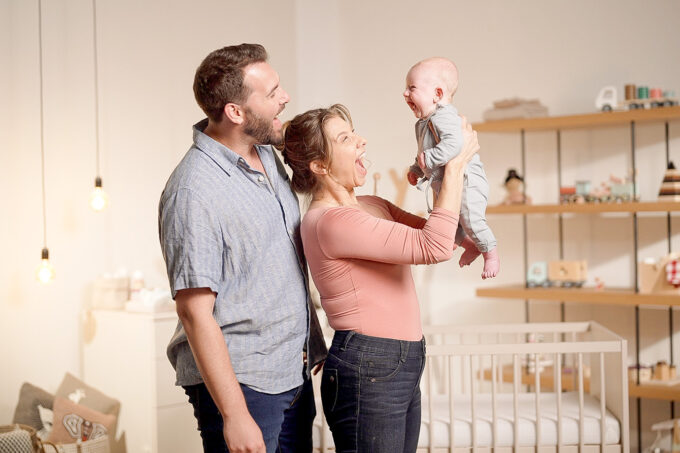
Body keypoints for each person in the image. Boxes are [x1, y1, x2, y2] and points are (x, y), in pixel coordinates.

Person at [280, 103, 480, 452]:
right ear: (319, 165)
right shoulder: (329, 221)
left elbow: (446, 236)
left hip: (401, 360)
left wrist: (437, 172)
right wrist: (455, 166)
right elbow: (431, 247)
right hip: (370, 363)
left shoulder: (373, 204)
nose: (361, 141)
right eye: (345, 138)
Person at [158, 43, 327, 453]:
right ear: (236, 112)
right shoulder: (193, 191)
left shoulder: (266, 154)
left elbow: (279, 258)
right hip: (244, 385)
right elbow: (194, 313)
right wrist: (234, 416)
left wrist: (312, 339)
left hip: (291, 370)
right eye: (272, 94)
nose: (284, 97)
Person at [404, 57, 499, 279]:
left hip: (468, 180)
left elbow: (455, 144)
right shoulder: (423, 123)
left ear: (437, 94)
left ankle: (491, 253)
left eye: (412, 88)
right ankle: (472, 246)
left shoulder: (444, 116)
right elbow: (425, 151)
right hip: (448, 184)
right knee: (450, 233)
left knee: (471, 219)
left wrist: (429, 160)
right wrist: (416, 169)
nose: (405, 94)